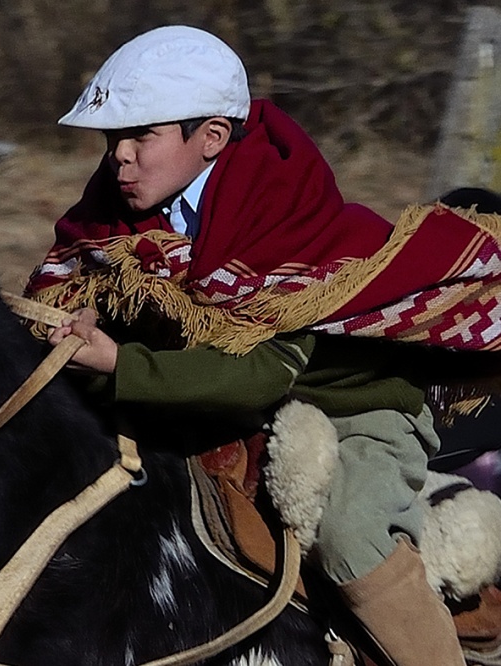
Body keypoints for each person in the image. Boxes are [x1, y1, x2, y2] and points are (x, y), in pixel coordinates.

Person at [24, 25, 479, 665]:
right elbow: (72, 282)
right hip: (207, 399)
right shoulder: (118, 205)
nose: (118, 156)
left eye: (140, 136)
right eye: (111, 139)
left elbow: (256, 377)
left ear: (211, 137)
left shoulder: (280, 210)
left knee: (351, 538)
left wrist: (114, 365)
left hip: (350, 407)